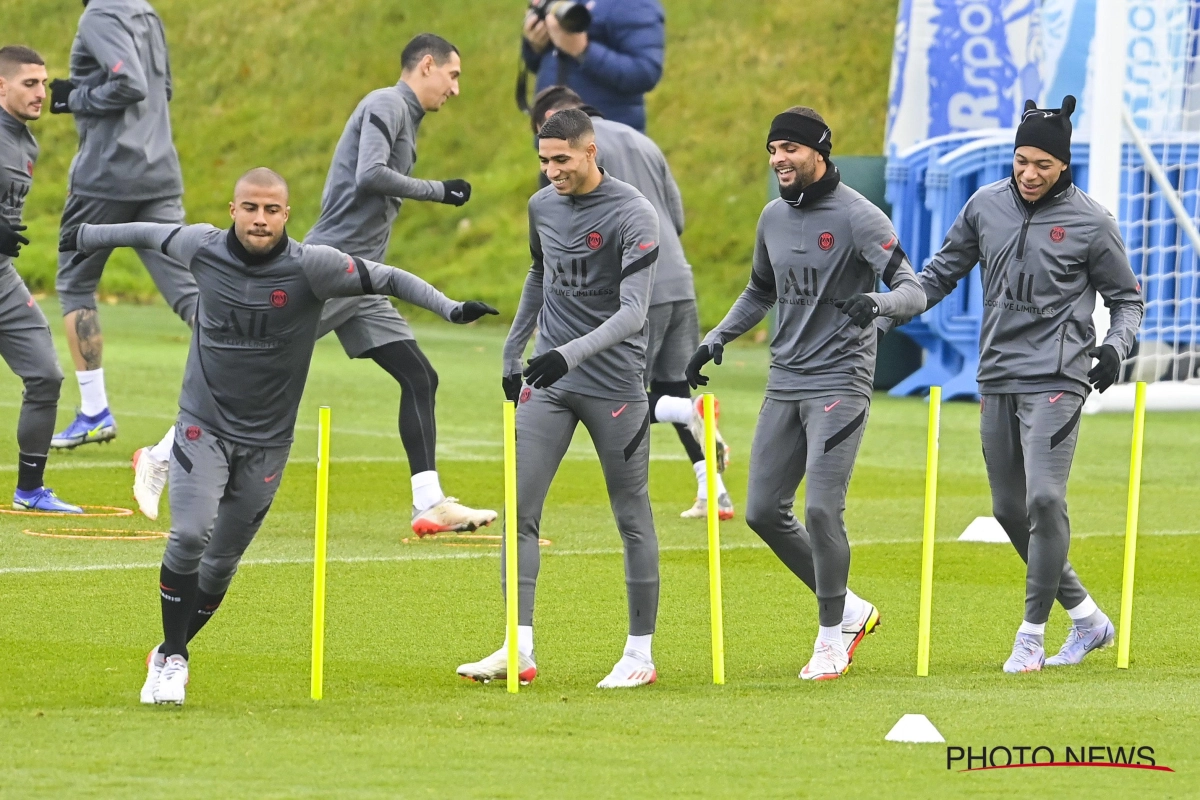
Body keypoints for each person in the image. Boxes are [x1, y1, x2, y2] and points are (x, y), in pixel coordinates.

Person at [63, 167, 497, 705]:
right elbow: (142, 231)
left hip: (268, 443)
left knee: (220, 564)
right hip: (202, 427)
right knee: (189, 535)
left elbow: (387, 277)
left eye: (272, 210)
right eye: (250, 208)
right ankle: (173, 662)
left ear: (287, 215)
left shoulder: (314, 267)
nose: (260, 219)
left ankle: (168, 650)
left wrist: (451, 309)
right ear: (233, 208)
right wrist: (82, 236)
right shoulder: (200, 245)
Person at [129, 34, 496, 535]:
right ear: (427, 65)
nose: (455, 89)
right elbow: (370, 174)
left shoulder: (402, 113)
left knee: (419, 376)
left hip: (362, 280)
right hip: (331, 273)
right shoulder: (387, 103)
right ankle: (161, 455)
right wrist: (440, 191)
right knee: (256, 365)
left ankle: (428, 501)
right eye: (453, 75)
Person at [688, 107, 926, 680]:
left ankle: (830, 638)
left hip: (841, 382)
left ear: (819, 151)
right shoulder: (772, 216)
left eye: (789, 148)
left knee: (821, 509)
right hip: (785, 381)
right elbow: (759, 290)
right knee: (762, 512)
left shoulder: (859, 216)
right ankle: (851, 609)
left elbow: (913, 290)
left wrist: (878, 304)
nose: (778, 160)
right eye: (772, 150)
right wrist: (716, 336)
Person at [907, 97, 1143, 673]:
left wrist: (1115, 347)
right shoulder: (984, 205)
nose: (1029, 173)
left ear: (1063, 165)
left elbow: (1128, 299)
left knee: (1044, 498)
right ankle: (1087, 619)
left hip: (1060, 376)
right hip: (997, 374)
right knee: (1010, 509)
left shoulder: (1093, 221)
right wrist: (885, 307)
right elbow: (938, 274)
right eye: (1021, 160)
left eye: (1042, 163)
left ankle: (1031, 636)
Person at [457, 109, 661, 689]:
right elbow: (539, 273)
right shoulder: (541, 206)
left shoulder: (633, 213)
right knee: (518, 512)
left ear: (590, 150)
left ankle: (639, 655)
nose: (551, 172)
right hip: (550, 385)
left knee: (632, 518)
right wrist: (511, 350)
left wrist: (566, 354)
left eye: (562, 160)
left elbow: (633, 313)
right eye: (544, 160)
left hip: (616, 385)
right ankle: (516, 648)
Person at [530, 86, 734, 521]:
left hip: (629, 294)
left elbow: (565, 239)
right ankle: (713, 490)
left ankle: (687, 412)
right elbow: (675, 218)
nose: (549, 167)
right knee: (671, 383)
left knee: (613, 395)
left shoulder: (572, 157)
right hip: (678, 280)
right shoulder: (642, 139)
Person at [50, 0, 196, 450]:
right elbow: (162, 89)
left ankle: (95, 411)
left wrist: (72, 97)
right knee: (192, 295)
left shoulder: (97, 16)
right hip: (159, 174)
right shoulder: (148, 14)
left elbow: (129, 83)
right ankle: (246, 378)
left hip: (105, 176)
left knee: (76, 284)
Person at [0, 46, 82, 514]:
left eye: (44, 83)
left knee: (46, 374)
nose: (41, 92)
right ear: (1, 86)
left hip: (1, 279)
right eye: (29, 83)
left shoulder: (27, 141)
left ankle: (30, 490)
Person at [521, 0, 664, 132]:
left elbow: (644, 72)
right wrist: (535, 45)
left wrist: (583, 51)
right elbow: (550, 65)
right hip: (556, 139)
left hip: (609, 141)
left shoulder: (633, 4)